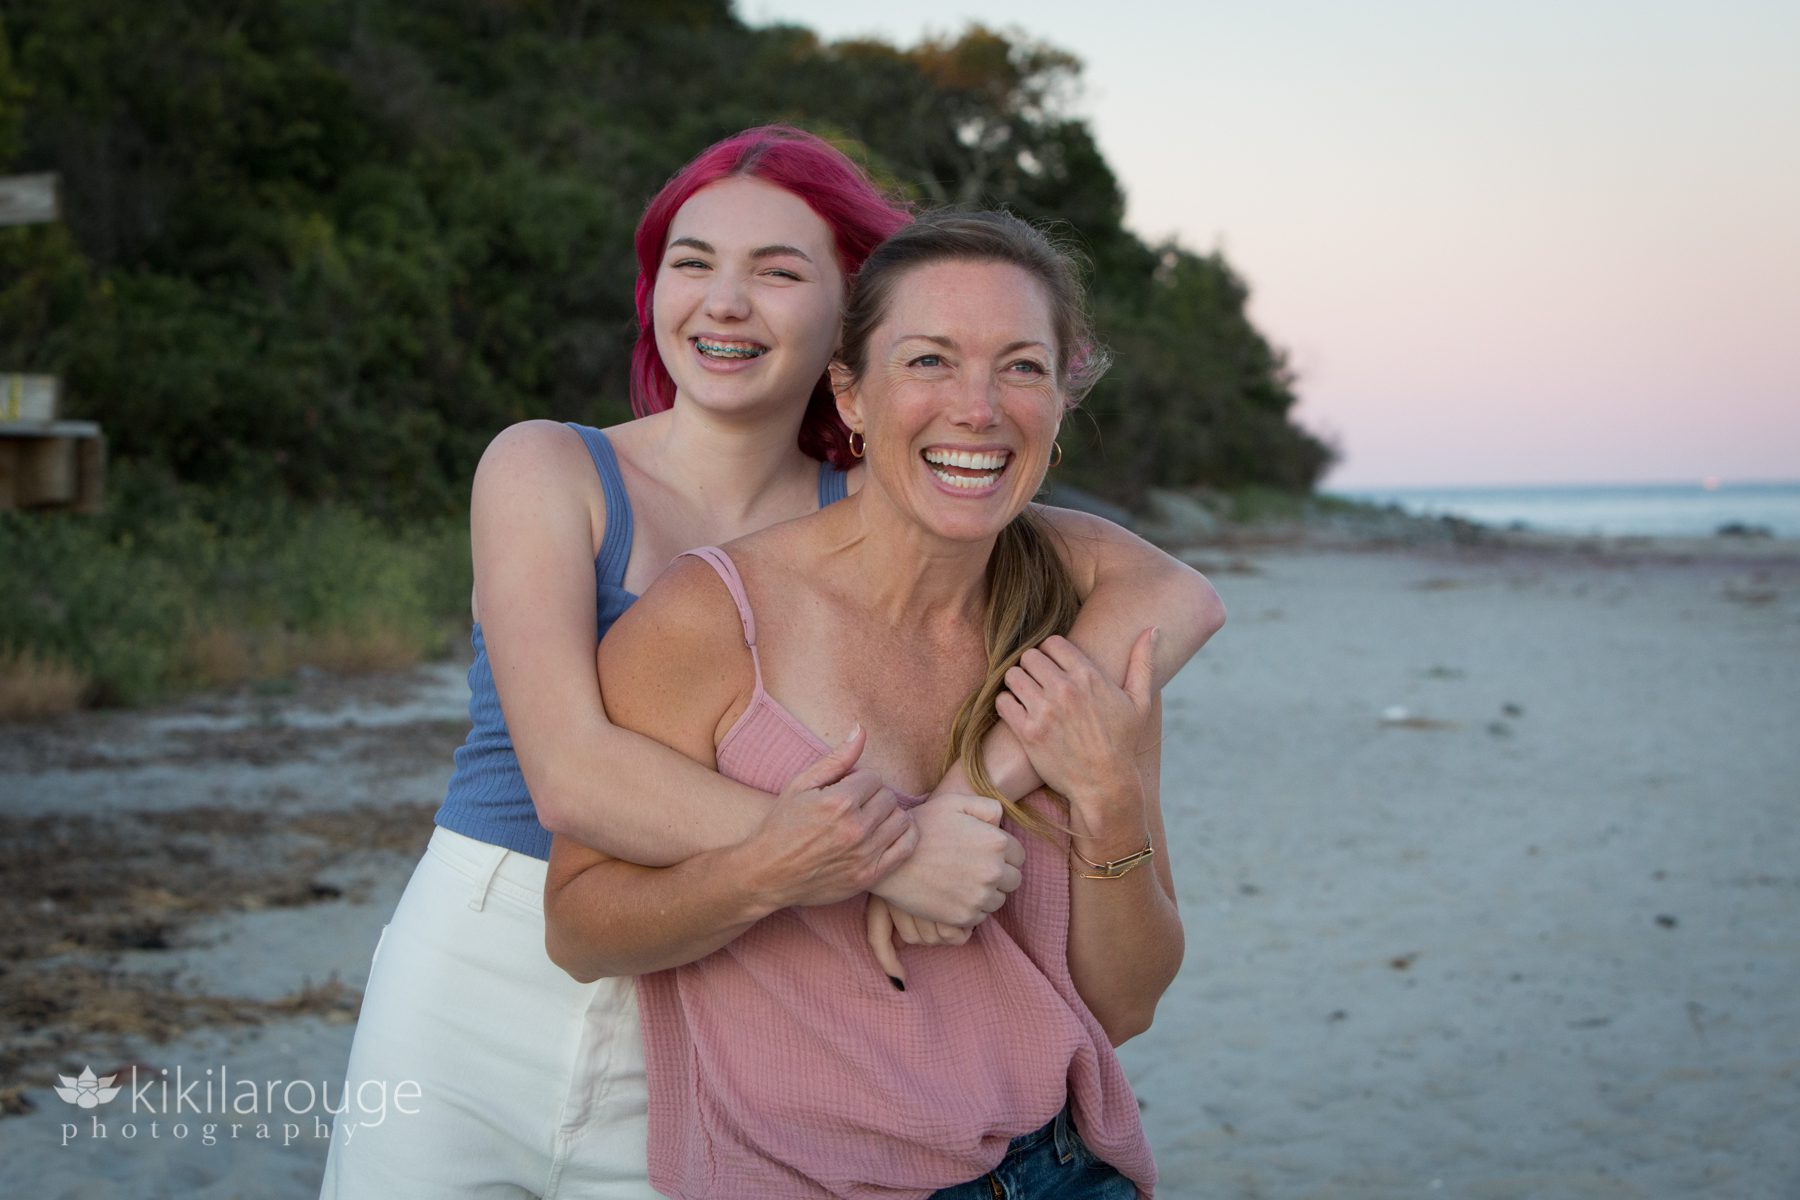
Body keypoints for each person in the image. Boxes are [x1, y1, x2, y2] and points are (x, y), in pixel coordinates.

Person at [323, 127, 1220, 1199]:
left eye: (777, 270)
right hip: (508, 938)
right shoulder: (555, 468)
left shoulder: (891, 504)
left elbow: (1167, 591)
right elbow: (570, 773)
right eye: (691, 263)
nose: (724, 301)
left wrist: (989, 788)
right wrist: (895, 849)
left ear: (848, 320)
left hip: (732, 987)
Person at [544, 210, 1189, 1199]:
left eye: (1020, 367)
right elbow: (581, 930)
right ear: (851, 392)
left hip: (1064, 1170)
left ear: (1061, 401)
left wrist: (1105, 805)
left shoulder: (1081, 638)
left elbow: (1124, 1003)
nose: (978, 407)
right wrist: (779, 868)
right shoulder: (715, 619)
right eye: (930, 360)